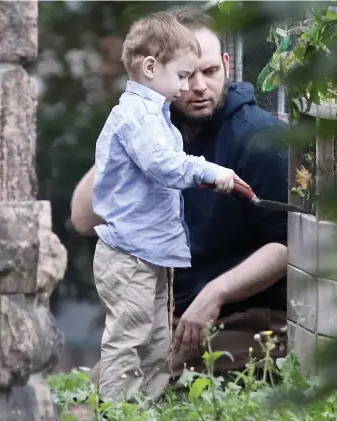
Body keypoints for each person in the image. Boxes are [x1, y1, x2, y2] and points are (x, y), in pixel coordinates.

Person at [71, 7, 289, 389]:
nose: (199, 86)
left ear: (226, 64)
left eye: (209, 71)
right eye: (186, 75)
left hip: (247, 316)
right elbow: (83, 220)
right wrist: (127, 133)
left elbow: (289, 245)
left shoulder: (260, 138)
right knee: (93, 393)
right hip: (174, 313)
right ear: (158, 72)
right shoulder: (149, 127)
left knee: (121, 391)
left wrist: (216, 293)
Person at [91, 11, 243, 402]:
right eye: (180, 76)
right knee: (130, 337)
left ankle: (146, 404)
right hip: (129, 255)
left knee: (159, 337)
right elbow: (162, 165)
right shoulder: (135, 117)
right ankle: (116, 409)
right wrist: (209, 171)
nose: (185, 87)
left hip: (152, 253)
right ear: (149, 66)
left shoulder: (155, 115)